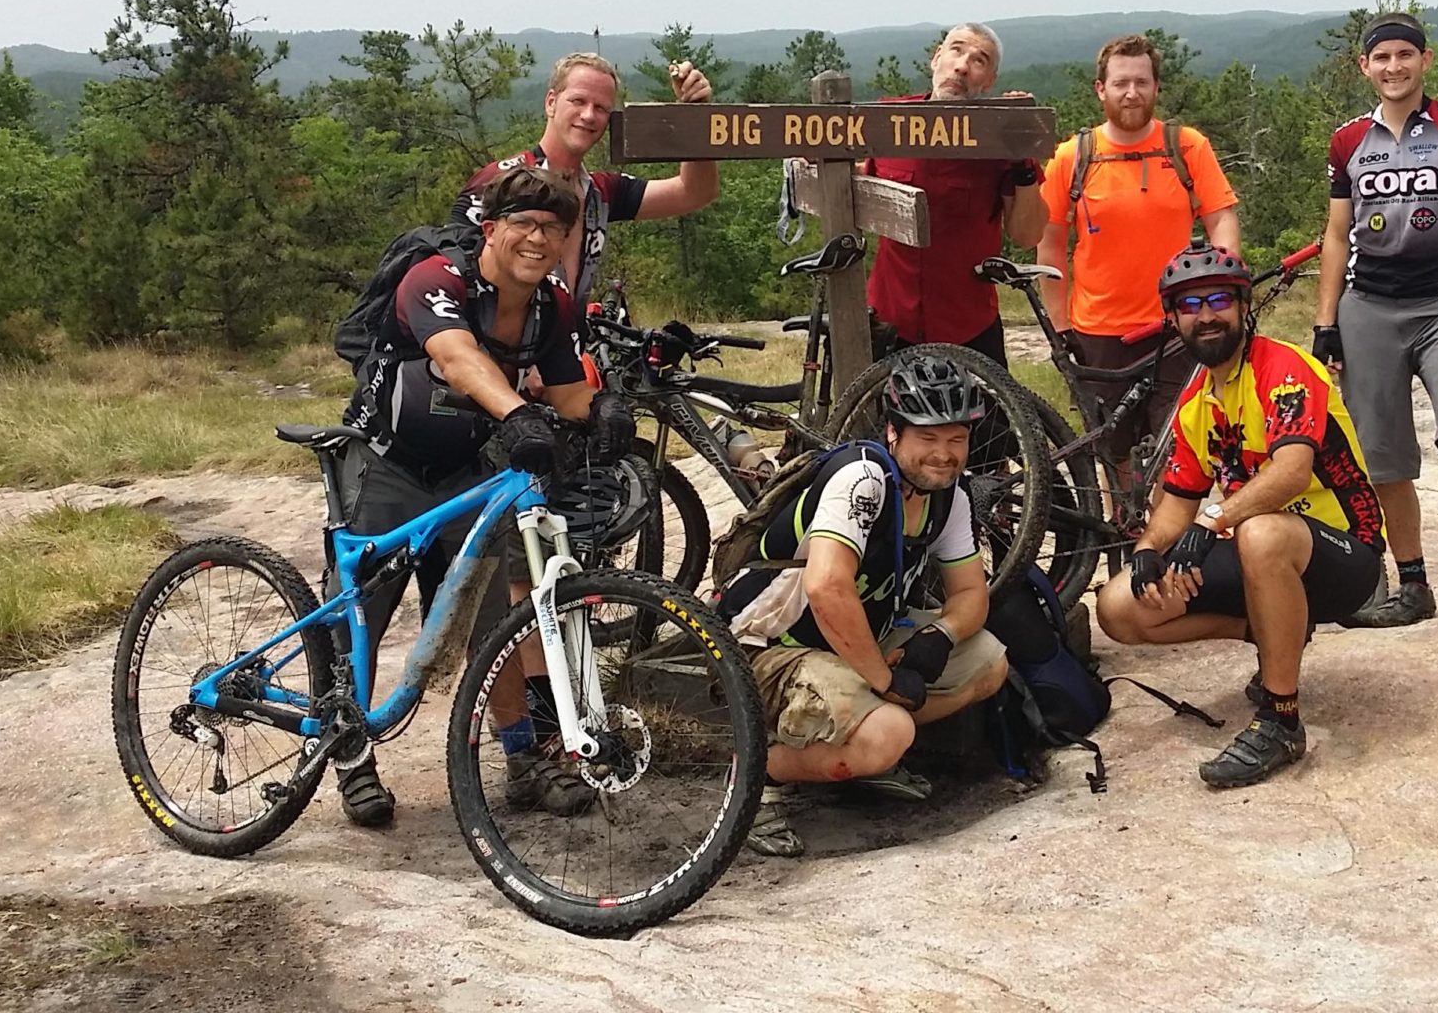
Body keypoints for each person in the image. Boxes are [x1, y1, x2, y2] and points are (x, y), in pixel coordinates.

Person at [331, 163, 638, 828]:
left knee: (491, 625)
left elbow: (564, 388)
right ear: (491, 229)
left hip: (463, 465)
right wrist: (513, 414)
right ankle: (351, 755)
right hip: (384, 462)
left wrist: (604, 408)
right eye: (523, 225)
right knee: (362, 614)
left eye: (553, 229)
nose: (538, 239)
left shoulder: (550, 304)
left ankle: (523, 760)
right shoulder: (436, 280)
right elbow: (459, 356)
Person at [1095, 245, 1387, 787]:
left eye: (1218, 300)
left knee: (1258, 530)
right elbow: (1175, 506)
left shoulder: (1284, 371)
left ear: (1243, 305)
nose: (1205, 315)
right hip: (1263, 556)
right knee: (1118, 608)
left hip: (1346, 553)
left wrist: (1211, 524)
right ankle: (1277, 633)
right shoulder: (1195, 407)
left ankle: (1281, 721)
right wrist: (1146, 553)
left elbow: (1292, 472)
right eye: (1190, 305)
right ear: (1174, 319)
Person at [716, 354, 1012, 856]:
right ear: (894, 433)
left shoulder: (950, 497)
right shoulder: (863, 480)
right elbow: (826, 587)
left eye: (956, 439)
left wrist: (936, 639)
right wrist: (886, 681)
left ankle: (849, 738)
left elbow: (969, 594)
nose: (944, 454)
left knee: (990, 664)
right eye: (928, 438)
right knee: (888, 732)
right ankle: (755, 768)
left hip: (851, 639)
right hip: (768, 643)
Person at [1311, 13, 1438, 626]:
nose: (1394, 67)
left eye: (1406, 54)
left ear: (1425, 61)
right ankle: (1414, 585)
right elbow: (1335, 233)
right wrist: (1327, 324)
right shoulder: (1348, 140)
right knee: (1383, 460)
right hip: (1368, 311)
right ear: (1365, 68)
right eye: (1382, 57)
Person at [1035, 33, 1241, 469]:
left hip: (1178, 326)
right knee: (1114, 456)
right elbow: (1049, 241)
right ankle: (1123, 536)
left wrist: (1224, 289)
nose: (1132, 93)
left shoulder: (1186, 147)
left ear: (1156, 87)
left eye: (1142, 83)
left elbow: (1221, 218)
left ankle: (1163, 538)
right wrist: (1059, 325)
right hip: (1099, 333)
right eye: (1121, 83)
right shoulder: (1074, 156)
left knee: (1179, 451)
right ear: (1100, 89)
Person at [456, 52, 720, 300]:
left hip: (566, 345)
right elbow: (445, 272)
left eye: (601, 108)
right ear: (551, 102)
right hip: (490, 346)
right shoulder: (500, 182)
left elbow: (695, 191)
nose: (588, 115)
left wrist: (694, 116)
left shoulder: (600, 193)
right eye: (578, 101)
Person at [863, 23, 1049, 363]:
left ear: (989, 81)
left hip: (968, 328)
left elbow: (1028, 234)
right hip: (890, 321)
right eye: (956, 50)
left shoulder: (999, 137)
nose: (962, 65)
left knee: (992, 418)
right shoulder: (887, 121)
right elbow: (859, 187)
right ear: (936, 59)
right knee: (879, 418)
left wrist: (1023, 157)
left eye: (979, 60)